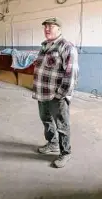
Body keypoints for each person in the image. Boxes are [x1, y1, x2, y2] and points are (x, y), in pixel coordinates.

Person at [32, 17, 79, 168]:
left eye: (51, 26)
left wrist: (61, 94)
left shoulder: (67, 47)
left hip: (57, 95)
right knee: (46, 120)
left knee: (62, 125)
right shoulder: (44, 46)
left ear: (59, 29)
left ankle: (66, 153)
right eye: (45, 26)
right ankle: (53, 144)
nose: (47, 29)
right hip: (42, 93)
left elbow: (71, 74)